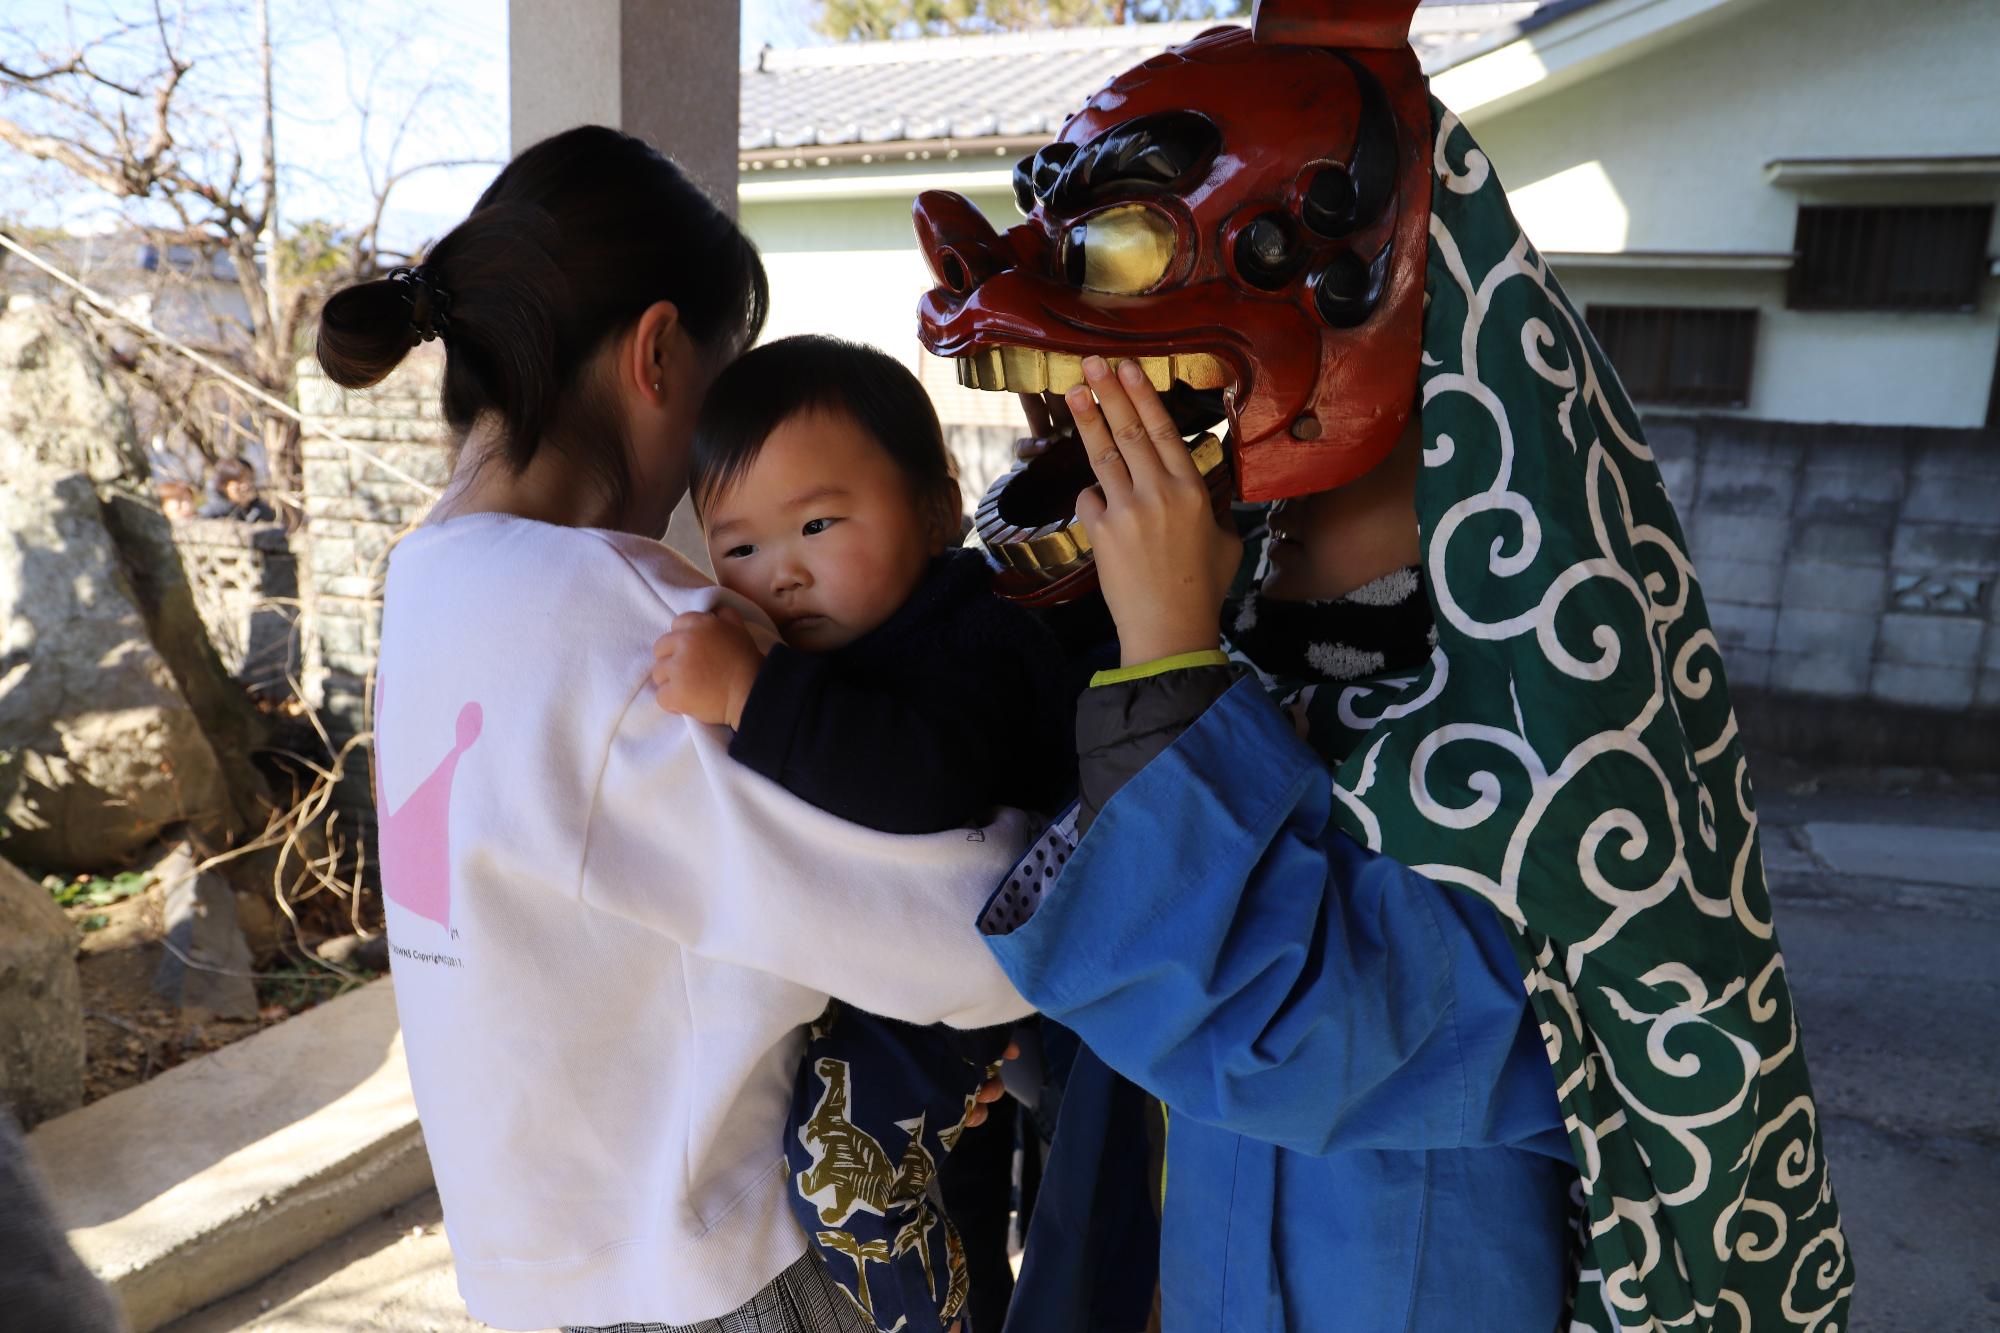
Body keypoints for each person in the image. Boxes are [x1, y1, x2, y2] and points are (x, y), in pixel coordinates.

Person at [976, 102, 1849, 1332]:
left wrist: (1166, 655)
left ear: (1486, 487)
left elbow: (1262, 1027)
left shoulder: (1545, 819)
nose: (1264, 519)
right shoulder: (1281, 708)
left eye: (1324, 465)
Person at [314, 125, 1031, 1333]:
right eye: (721, 388)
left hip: (535, 1274)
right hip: (716, 1273)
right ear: (658, 354)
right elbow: (961, 927)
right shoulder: (627, 615)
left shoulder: (426, 584)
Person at [651, 333, 1074, 1332]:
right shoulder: (846, 639)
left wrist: (754, 696)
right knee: (952, 1191)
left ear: (934, 513)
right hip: (909, 975)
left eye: (817, 522)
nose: (779, 573)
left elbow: (923, 777)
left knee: (852, 1179)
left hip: (982, 972)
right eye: (740, 546)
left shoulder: (971, 629)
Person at [198, 457, 276, 522]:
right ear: (224, 485)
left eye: (249, 479)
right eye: (239, 481)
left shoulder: (262, 511)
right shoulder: (210, 515)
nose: (245, 486)